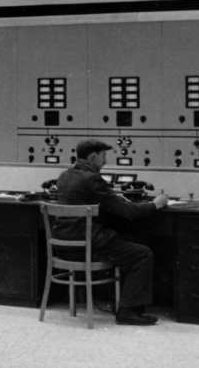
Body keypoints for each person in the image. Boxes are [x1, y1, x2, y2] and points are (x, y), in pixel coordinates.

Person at [53, 138, 168, 325]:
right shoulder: (93, 179)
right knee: (143, 254)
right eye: (103, 156)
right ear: (93, 157)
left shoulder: (64, 176)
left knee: (121, 246)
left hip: (63, 247)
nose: (105, 161)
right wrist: (155, 204)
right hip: (87, 247)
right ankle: (127, 310)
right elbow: (128, 212)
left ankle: (128, 303)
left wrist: (112, 198)